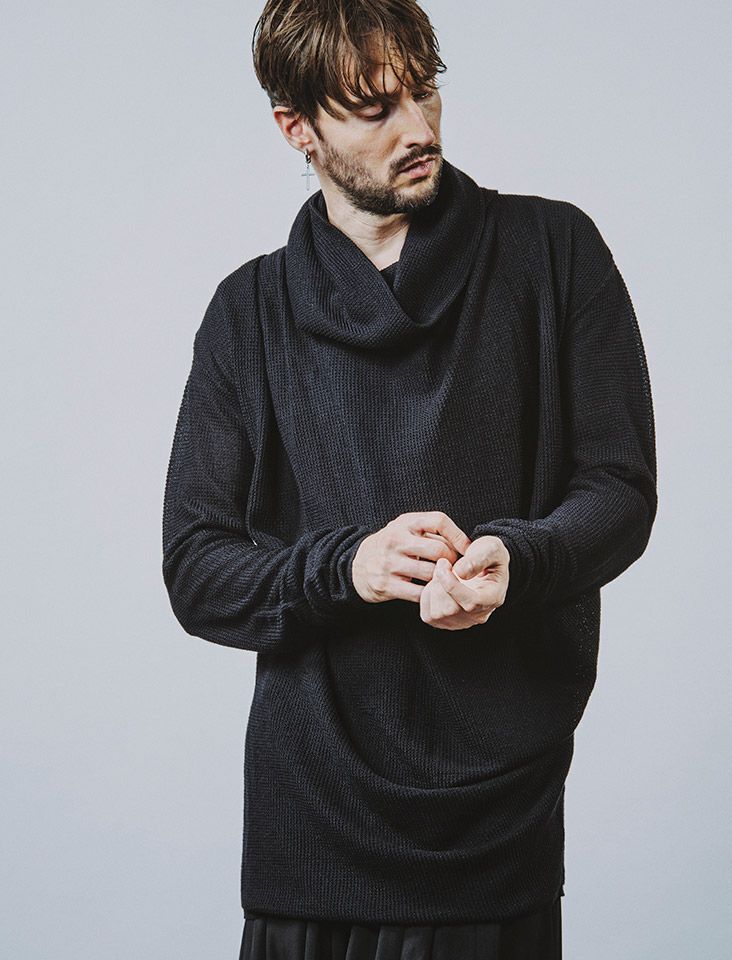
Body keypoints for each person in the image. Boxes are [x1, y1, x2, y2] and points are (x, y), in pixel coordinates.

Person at [161, 2, 658, 957]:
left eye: (423, 90)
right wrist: (350, 568)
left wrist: (517, 557)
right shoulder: (249, 312)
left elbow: (620, 489)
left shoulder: (554, 253)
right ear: (297, 128)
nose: (419, 126)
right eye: (373, 107)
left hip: (496, 822)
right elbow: (196, 568)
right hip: (312, 821)